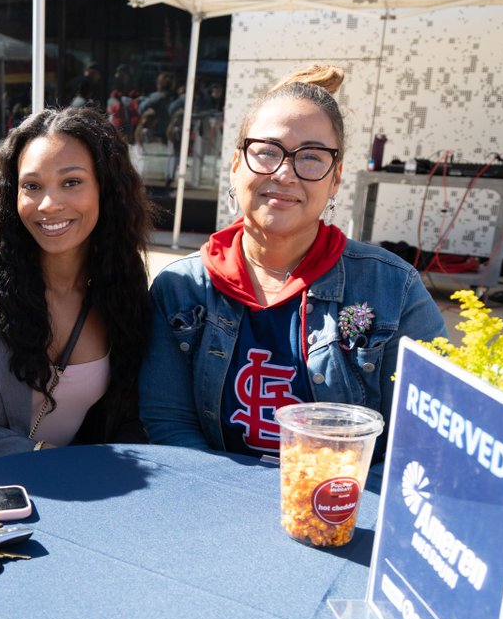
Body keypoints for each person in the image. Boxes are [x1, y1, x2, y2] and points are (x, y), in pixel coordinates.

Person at [140, 65, 446, 459]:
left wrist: (326, 493)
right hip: (213, 490)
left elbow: (420, 440)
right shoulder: (182, 289)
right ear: (235, 165)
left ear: (335, 179)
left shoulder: (393, 288)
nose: (285, 173)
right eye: (267, 151)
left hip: (344, 495)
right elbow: (169, 422)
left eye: (311, 157)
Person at [0, 106, 154, 476]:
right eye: (32, 186)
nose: (48, 205)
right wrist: (40, 456)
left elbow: (127, 415)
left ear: (106, 189)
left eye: (71, 182)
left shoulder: (122, 287)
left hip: (80, 491)